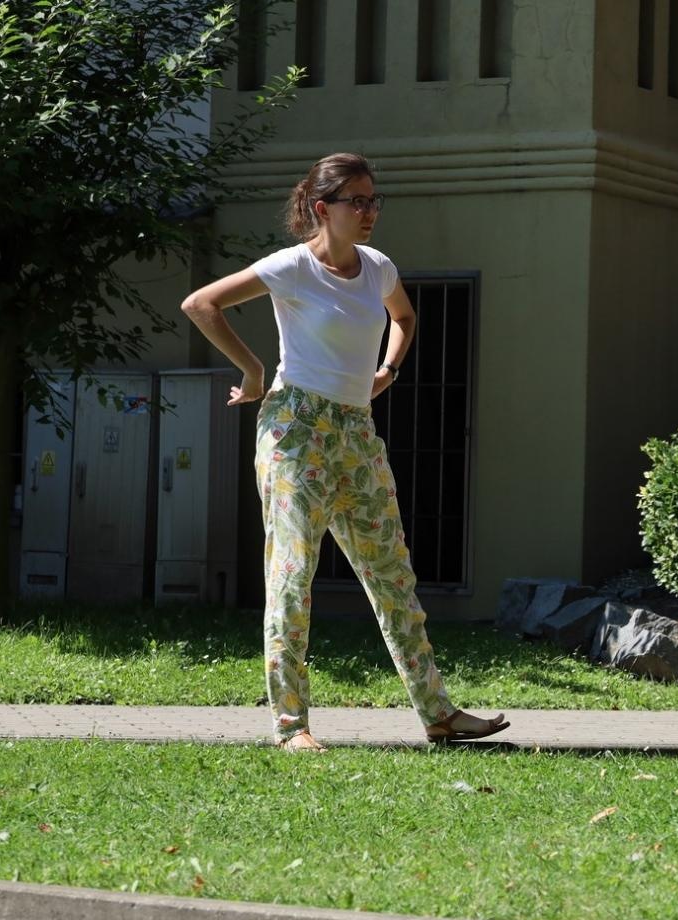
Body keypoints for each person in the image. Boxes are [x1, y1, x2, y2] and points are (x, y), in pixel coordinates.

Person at [181, 153, 507, 751]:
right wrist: (253, 372)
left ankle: (438, 714)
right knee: (292, 576)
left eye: (373, 200)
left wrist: (388, 369)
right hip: (295, 430)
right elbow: (201, 304)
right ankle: (291, 726)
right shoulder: (291, 267)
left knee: (393, 575)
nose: (369, 211)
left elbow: (404, 316)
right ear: (321, 208)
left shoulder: (378, 268)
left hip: (356, 431)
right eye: (356, 201)